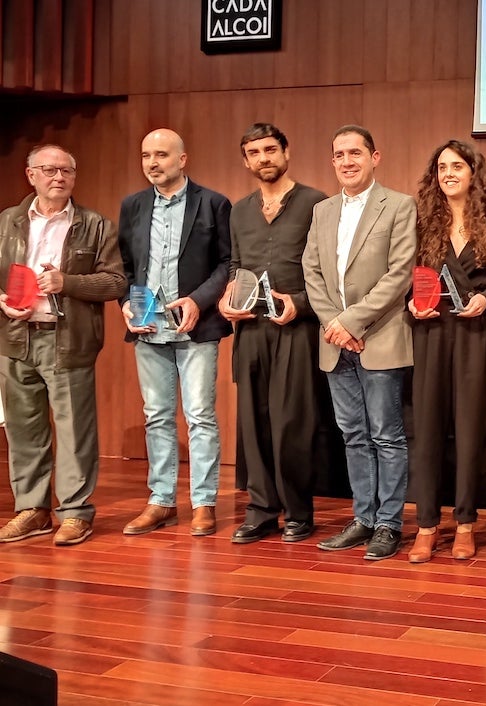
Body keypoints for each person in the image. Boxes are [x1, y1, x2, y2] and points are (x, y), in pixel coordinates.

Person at [0, 144, 126, 545]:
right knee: (24, 430)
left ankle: (75, 512)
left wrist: (66, 283)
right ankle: (32, 510)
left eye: (67, 171)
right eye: (50, 170)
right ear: (30, 174)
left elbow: (116, 282)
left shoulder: (95, 224)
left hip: (68, 340)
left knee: (75, 430)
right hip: (15, 339)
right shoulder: (6, 222)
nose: (59, 178)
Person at [303, 125, 416, 561]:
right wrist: (335, 325)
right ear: (332, 162)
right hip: (335, 341)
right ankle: (363, 518)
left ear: (375, 157)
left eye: (355, 153)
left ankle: (389, 525)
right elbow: (311, 270)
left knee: (386, 436)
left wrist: (351, 322)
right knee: (353, 434)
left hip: (379, 338)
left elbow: (399, 274)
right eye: (339, 155)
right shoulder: (322, 210)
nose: (347, 161)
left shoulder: (400, 206)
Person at [118, 129, 232, 538]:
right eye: (146, 155)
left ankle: (203, 503)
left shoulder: (213, 202)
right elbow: (126, 268)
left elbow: (226, 263)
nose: (152, 163)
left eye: (161, 155)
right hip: (148, 329)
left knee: (200, 416)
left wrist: (198, 301)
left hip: (195, 328)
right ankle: (161, 501)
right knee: (156, 417)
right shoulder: (132, 205)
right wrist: (126, 305)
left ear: (182, 160)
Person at [218, 122, 328, 544]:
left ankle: (299, 511)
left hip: (296, 328)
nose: (263, 158)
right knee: (254, 422)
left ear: (286, 152)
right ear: (246, 160)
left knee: (291, 423)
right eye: (254, 152)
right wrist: (228, 299)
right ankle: (261, 509)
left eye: (270, 150)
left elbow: (324, 273)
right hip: (250, 329)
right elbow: (235, 266)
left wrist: (298, 303)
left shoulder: (315, 203)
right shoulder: (240, 209)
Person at [406, 140, 486, 563]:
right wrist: (410, 304)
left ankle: (465, 522)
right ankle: (427, 525)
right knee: (427, 432)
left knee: (469, 434)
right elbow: (403, 277)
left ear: (473, 173)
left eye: (457, 166)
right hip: (430, 334)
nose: (448, 173)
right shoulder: (420, 222)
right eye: (441, 167)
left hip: (476, 336)